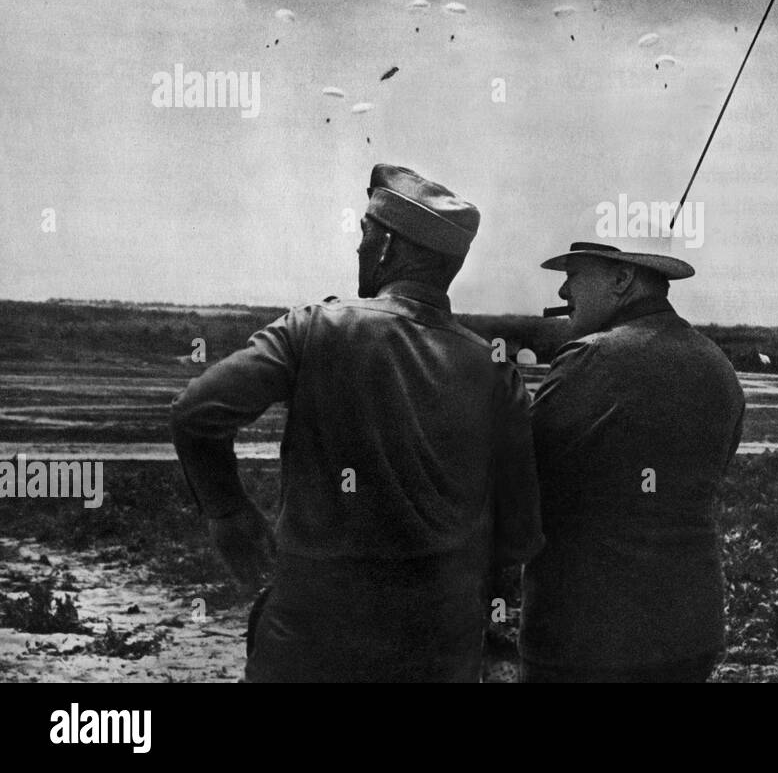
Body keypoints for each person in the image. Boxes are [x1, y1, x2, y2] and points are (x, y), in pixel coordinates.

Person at [171, 164, 543, 682]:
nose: (359, 249)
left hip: (312, 633)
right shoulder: (496, 372)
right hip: (440, 643)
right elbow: (520, 531)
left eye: (366, 235)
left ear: (388, 247)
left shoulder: (315, 328)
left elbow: (195, 414)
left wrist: (229, 513)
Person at [520, 241, 745, 682]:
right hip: (690, 629)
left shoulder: (591, 357)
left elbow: (525, 474)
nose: (565, 292)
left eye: (575, 275)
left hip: (587, 634)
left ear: (622, 280)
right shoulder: (718, 365)